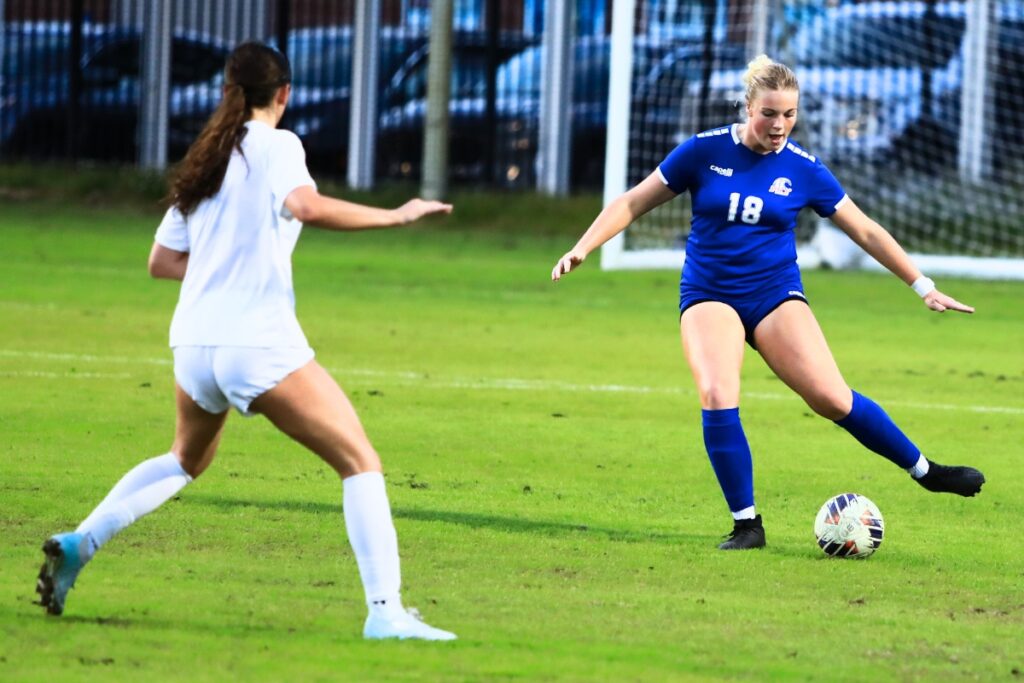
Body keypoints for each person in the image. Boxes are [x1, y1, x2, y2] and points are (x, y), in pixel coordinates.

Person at [35, 42, 456, 640]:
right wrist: (397, 215)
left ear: (228, 91)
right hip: (255, 343)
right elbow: (304, 205)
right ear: (283, 94)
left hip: (193, 343)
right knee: (360, 461)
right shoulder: (278, 144)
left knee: (185, 458)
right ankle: (386, 615)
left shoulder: (206, 157)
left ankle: (82, 542)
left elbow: (161, 261)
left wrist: (222, 268)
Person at [551, 55, 985, 550]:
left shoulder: (804, 168)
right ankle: (747, 524)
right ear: (747, 108)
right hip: (710, 292)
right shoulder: (702, 151)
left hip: (775, 294)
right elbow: (632, 201)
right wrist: (582, 247)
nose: (779, 125)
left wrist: (922, 285)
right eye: (769, 114)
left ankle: (925, 470)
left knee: (831, 398)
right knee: (717, 392)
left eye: (789, 115)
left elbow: (864, 228)